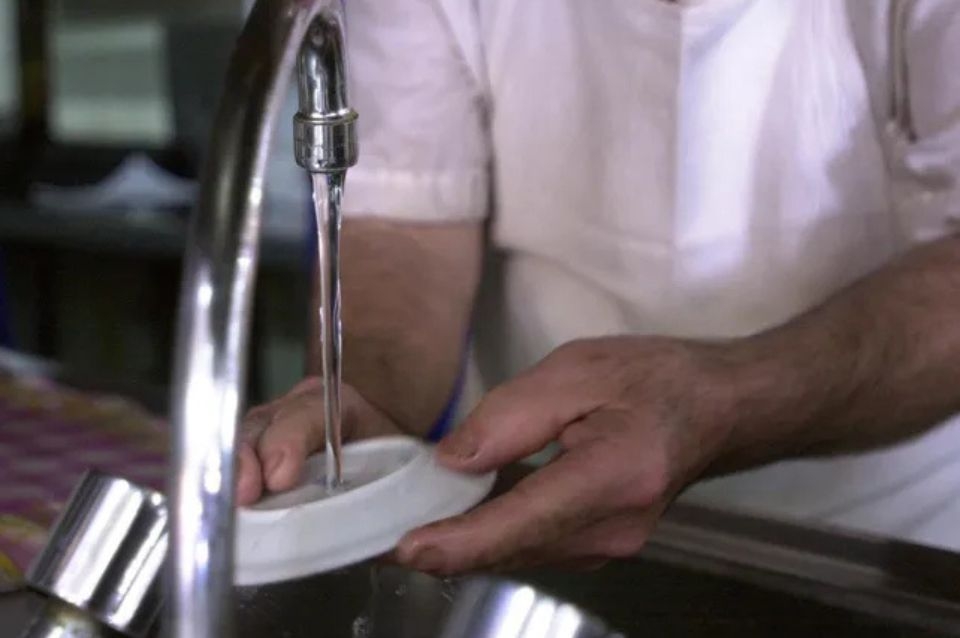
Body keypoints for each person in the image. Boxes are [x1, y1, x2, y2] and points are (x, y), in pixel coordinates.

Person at [236, 0, 960, 575]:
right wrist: (362, 401)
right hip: (538, 511)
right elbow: (406, 226)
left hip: (883, 546)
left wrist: (734, 401)